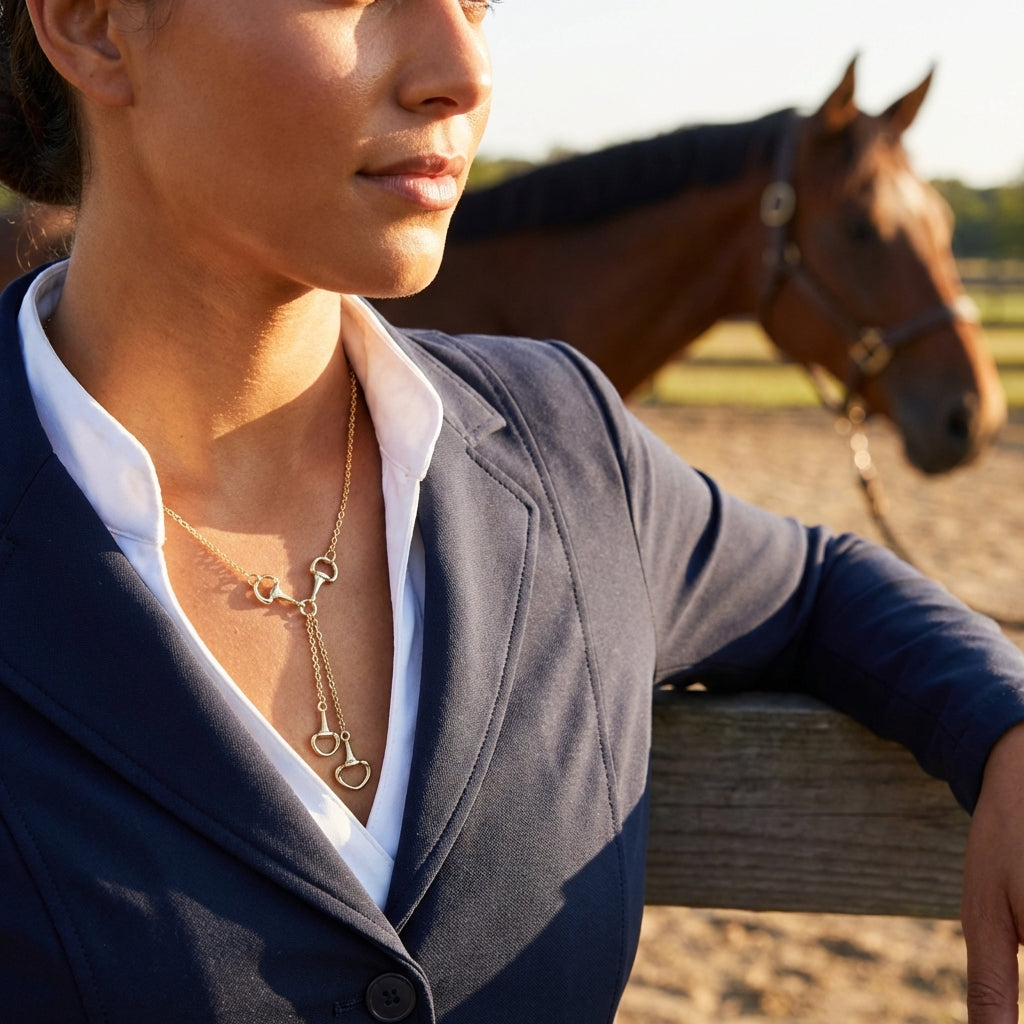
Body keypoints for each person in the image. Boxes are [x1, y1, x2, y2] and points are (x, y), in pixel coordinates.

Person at [1, 1, 1023, 1021]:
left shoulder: (564, 443)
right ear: (93, 26)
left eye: (479, 2)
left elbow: (813, 584)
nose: (465, 68)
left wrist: (1001, 723)